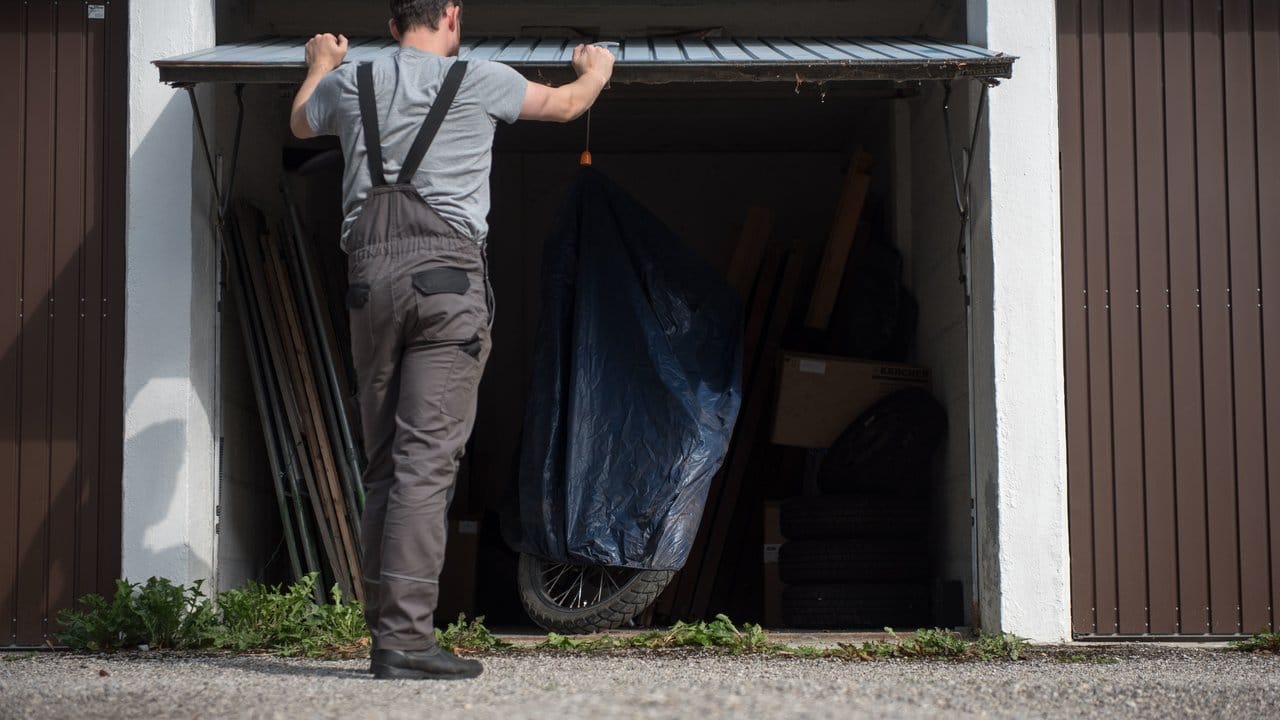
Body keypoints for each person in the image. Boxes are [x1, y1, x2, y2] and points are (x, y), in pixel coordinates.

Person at [290, 0, 615, 681]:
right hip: (445, 287)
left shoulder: (352, 84)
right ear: (451, 17)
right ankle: (405, 640)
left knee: (386, 467)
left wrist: (321, 62)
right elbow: (562, 107)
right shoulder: (482, 79)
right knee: (423, 465)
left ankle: (389, 635)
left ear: (391, 25)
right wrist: (596, 70)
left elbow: (299, 120)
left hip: (368, 287)